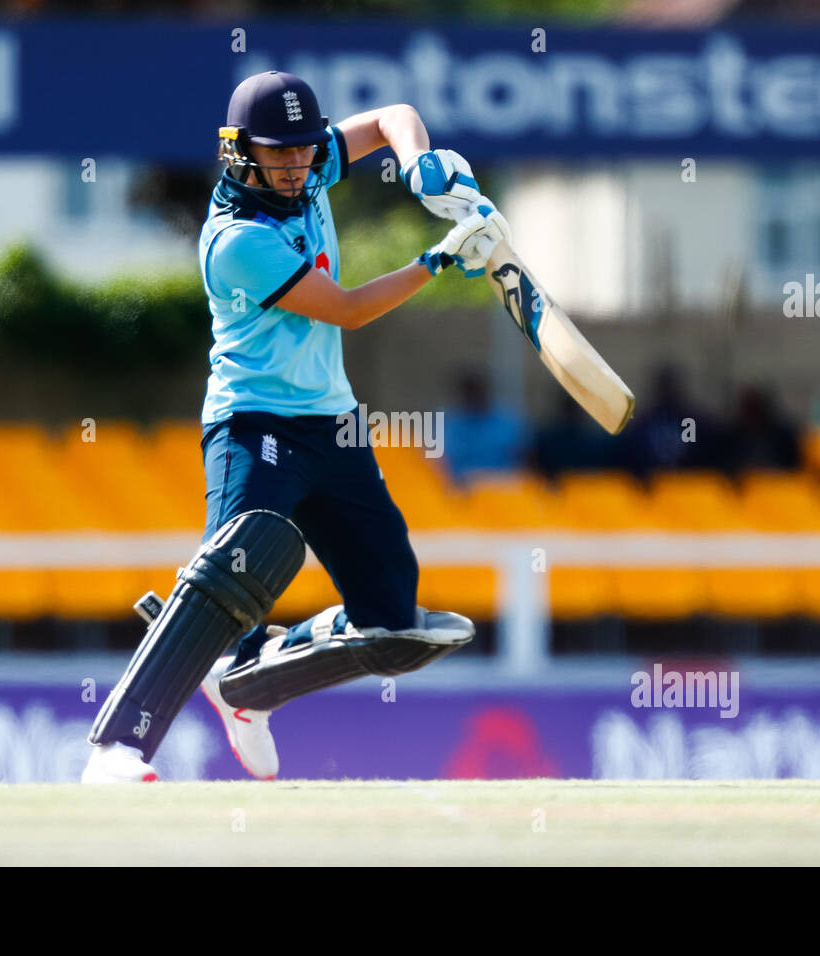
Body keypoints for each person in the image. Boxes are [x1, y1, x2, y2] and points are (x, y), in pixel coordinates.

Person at [82, 71, 510, 783]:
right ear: (240, 151)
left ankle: (250, 687)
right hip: (251, 423)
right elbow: (345, 308)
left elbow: (393, 116)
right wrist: (437, 259)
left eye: (304, 151)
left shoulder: (309, 171)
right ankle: (118, 746)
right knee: (233, 576)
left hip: (330, 424)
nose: (293, 166)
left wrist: (420, 166)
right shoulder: (235, 239)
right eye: (276, 154)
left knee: (393, 620)